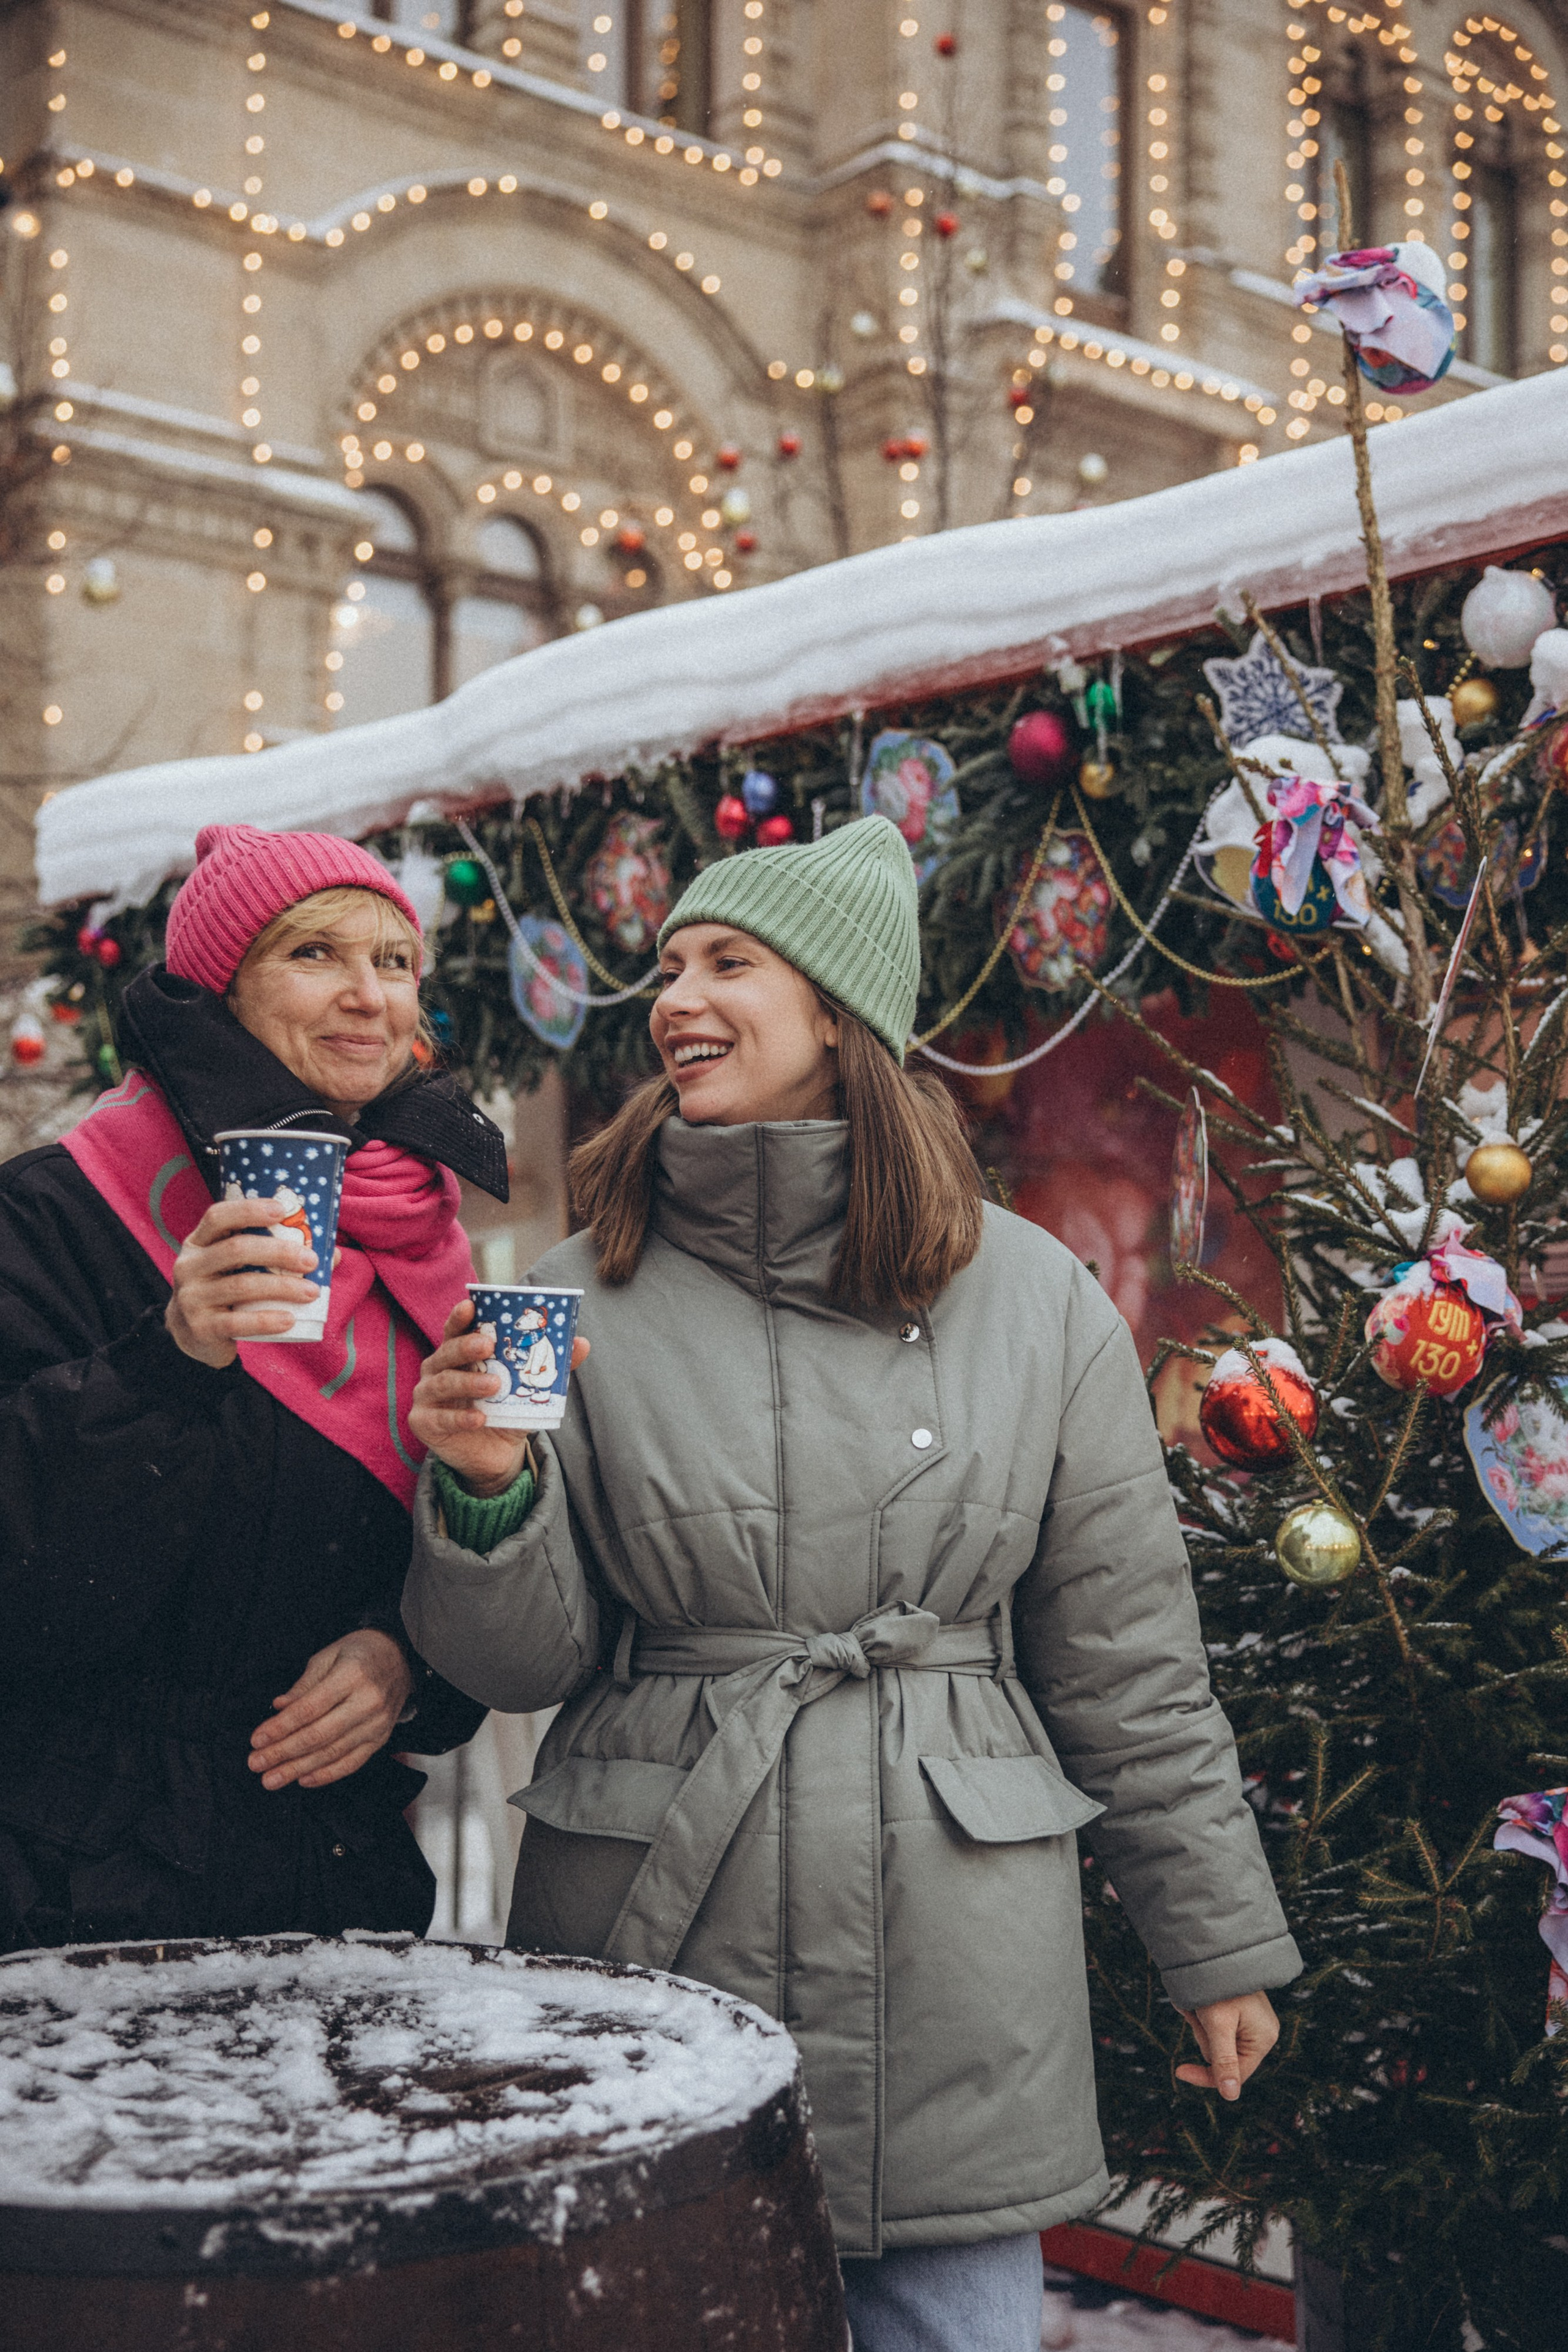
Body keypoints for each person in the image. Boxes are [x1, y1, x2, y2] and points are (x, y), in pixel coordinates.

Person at [402, 815, 1302, 2351]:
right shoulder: (557, 1296)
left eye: (727, 963)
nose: (675, 997)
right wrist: (485, 1493)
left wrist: (1212, 1944)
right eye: (667, 966)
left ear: (838, 1010)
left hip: (952, 1971)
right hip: (649, 1937)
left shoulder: (1032, 1302)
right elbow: (520, 1663)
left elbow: (1125, 1665)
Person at [0, 824, 499, 1953]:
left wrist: (406, 1664)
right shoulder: (53, 1213)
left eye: (393, 962)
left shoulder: (424, 1238)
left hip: (338, 1879)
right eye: (314, 954)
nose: (367, 996)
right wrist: (168, 1361)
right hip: (71, 1887)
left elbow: (467, 1570)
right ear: (220, 989)